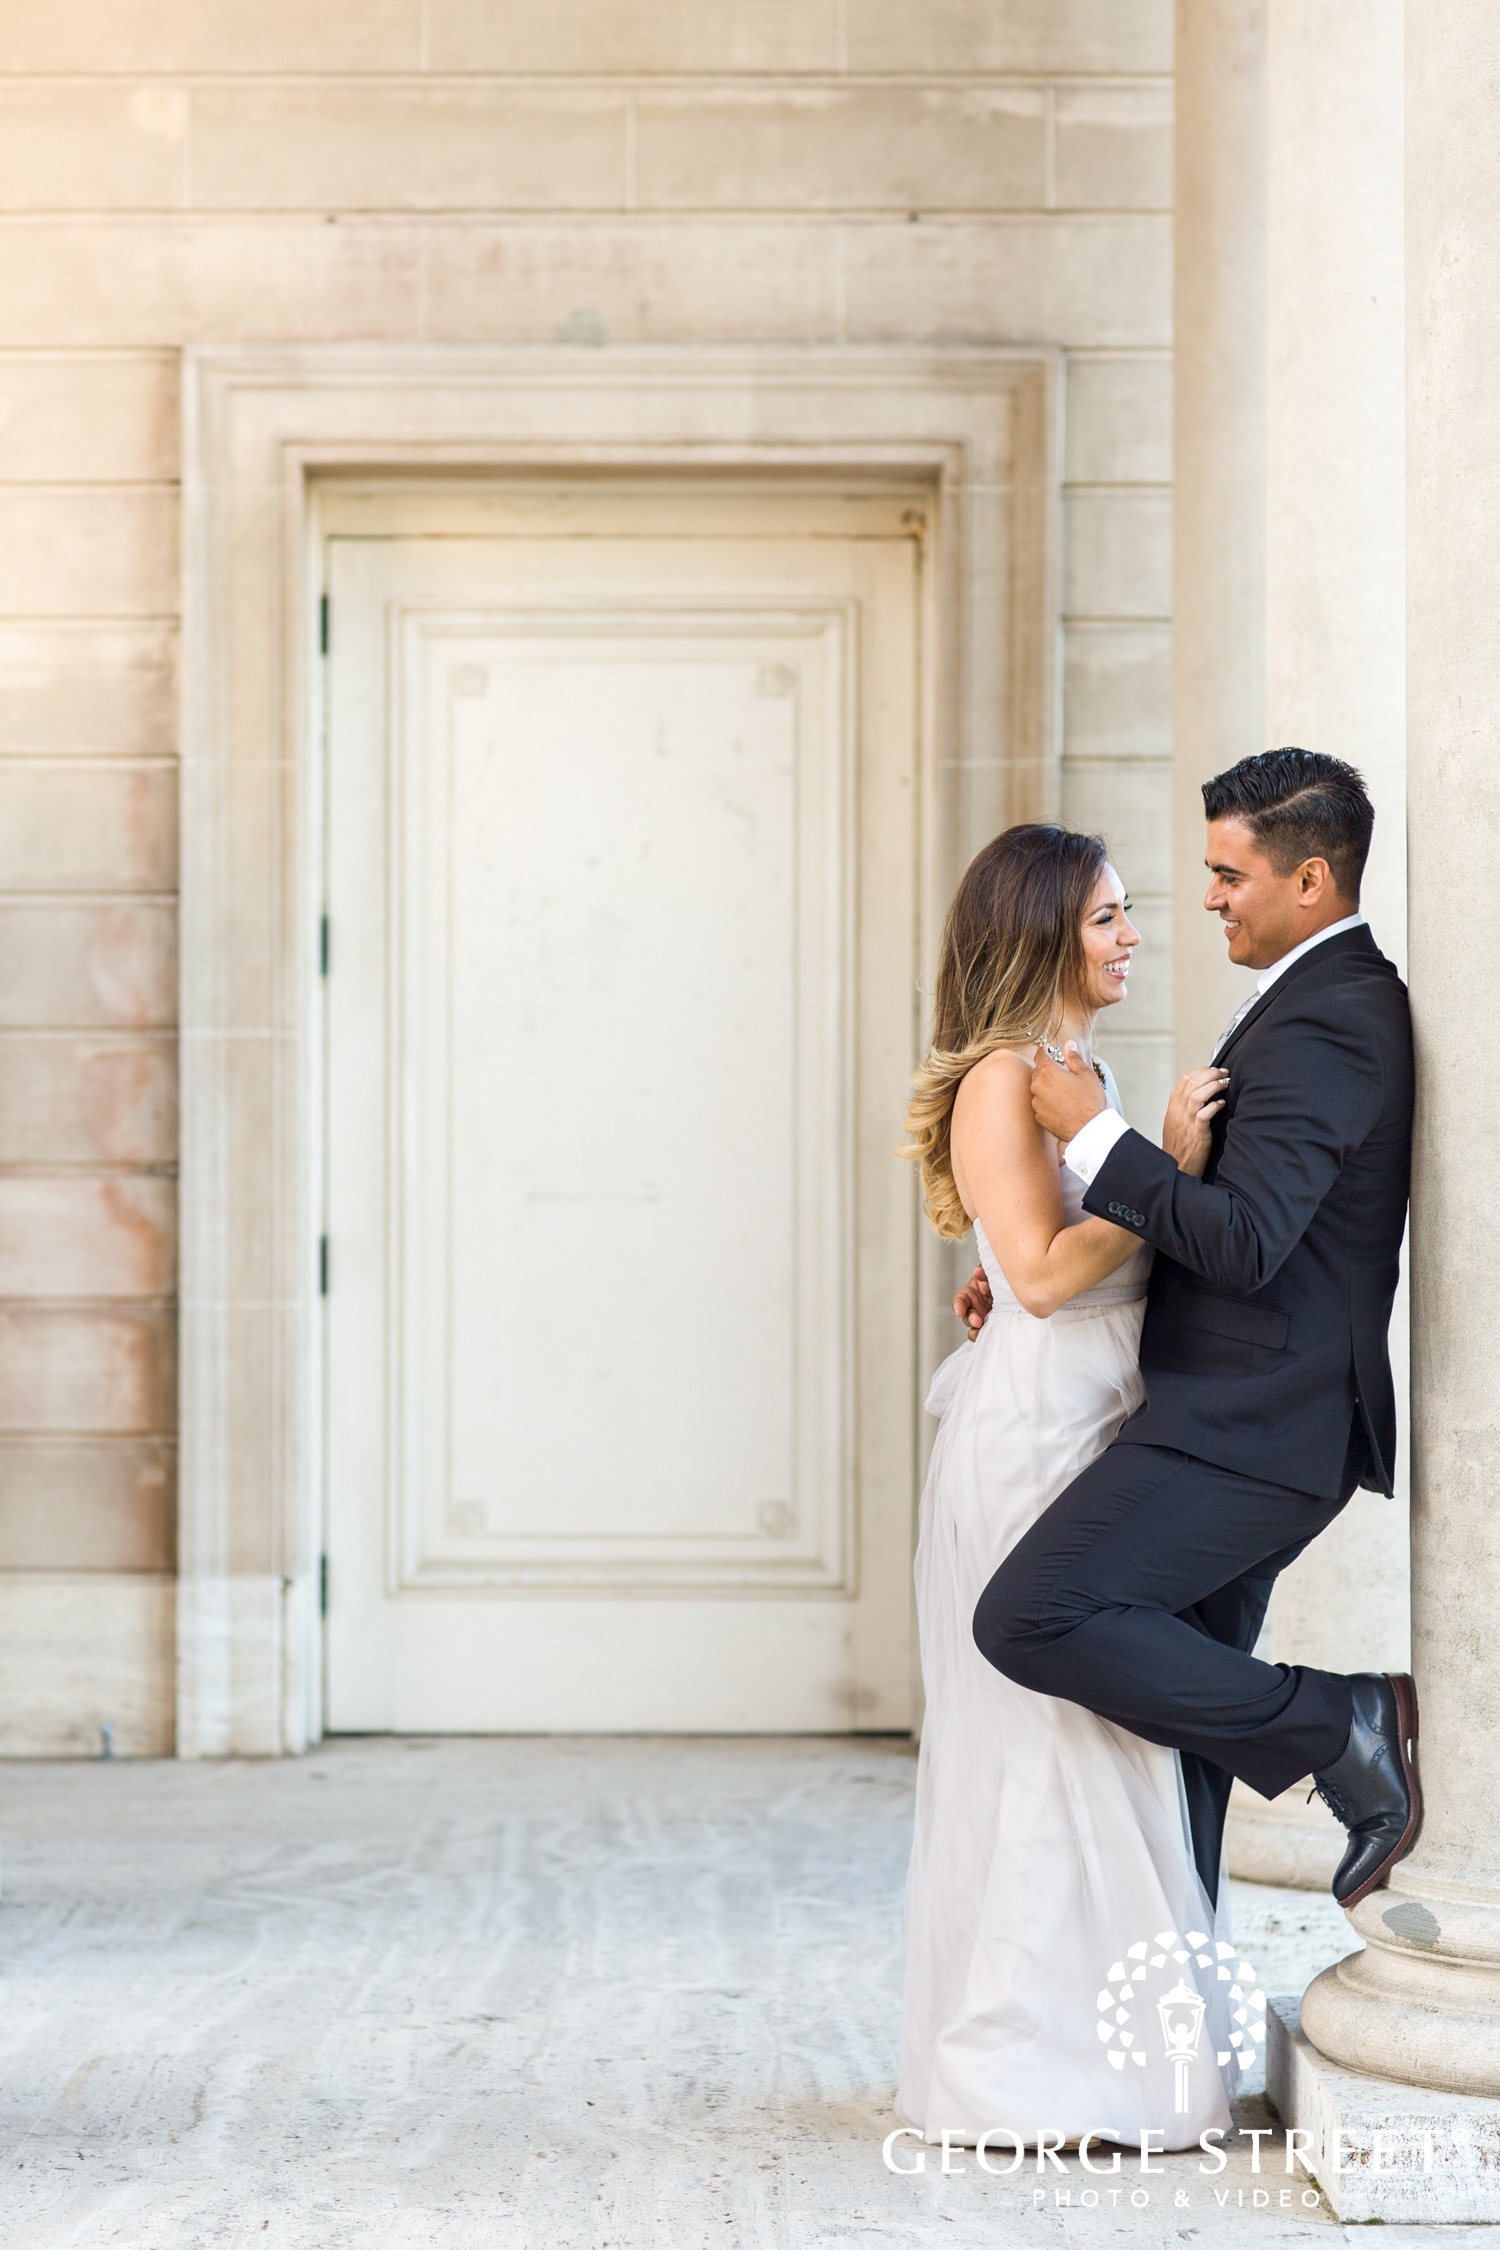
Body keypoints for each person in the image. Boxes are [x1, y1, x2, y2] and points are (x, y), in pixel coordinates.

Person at [966, 750, 1418, 1917]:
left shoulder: (1333, 1018)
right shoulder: (1307, 997)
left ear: (1311, 880)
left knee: (1031, 1616)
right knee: (1184, 1751)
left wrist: (1102, 1144)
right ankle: (1179, 2050)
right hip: (1237, 1416)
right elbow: (1233, 1222)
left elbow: (1249, 1239)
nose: (1205, 897)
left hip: (1251, 1431)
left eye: (1229, 874)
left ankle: (1346, 1721)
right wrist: (1024, 1274)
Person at [895, 822, 1235, 2150]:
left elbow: (1031, 1262)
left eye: (1128, 913)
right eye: (1106, 918)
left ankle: (1101, 2063)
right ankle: (1024, 2075)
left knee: (1099, 1738)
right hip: (1039, 1440)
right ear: (1042, 931)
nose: (1133, 935)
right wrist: (1164, 1170)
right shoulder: (1004, 1077)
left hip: (1085, 1417)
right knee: (1054, 1739)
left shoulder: (1068, 1068)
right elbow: (1038, 1274)